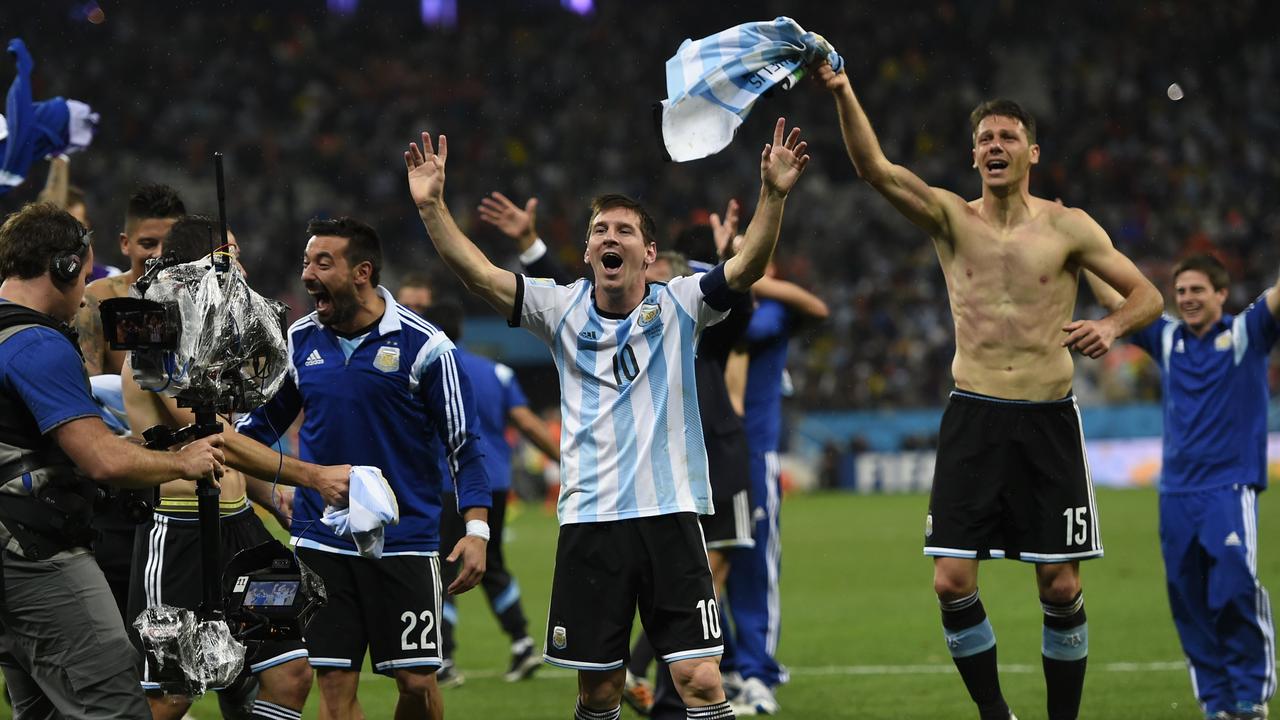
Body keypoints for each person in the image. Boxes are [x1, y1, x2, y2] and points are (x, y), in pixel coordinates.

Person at [405, 116, 810, 720]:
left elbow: (747, 266)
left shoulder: (680, 305)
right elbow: (478, 273)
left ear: (649, 255)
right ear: (590, 251)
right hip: (592, 524)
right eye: (600, 230)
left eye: (624, 229)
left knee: (700, 678)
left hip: (671, 518)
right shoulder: (558, 307)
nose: (609, 236)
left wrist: (772, 197)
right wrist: (433, 206)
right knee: (599, 690)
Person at [816, 59, 1163, 720]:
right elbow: (875, 169)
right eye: (984, 138)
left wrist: (1112, 324)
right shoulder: (950, 218)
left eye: (1007, 136)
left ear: (1033, 151)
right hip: (974, 413)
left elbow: (1148, 294)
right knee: (951, 580)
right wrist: (842, 90)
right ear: (973, 154)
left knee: (1060, 585)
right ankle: (996, 716)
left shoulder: (1070, 226)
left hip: (1047, 417)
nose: (994, 146)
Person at [234, 216, 491, 720]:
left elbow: (464, 444)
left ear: (362, 272)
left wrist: (477, 529)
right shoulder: (299, 340)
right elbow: (253, 433)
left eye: (322, 262)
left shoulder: (427, 347)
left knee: (416, 684)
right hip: (322, 541)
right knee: (333, 684)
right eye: (306, 261)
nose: (308, 274)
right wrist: (275, 488)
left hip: (408, 540)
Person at [0, 202, 224, 719]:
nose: (84, 288)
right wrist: (181, 462)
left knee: (43, 713)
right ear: (62, 267)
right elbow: (99, 458)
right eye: (82, 272)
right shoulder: (38, 342)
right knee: (118, 707)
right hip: (33, 550)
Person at [119, 215, 349, 720]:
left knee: (290, 675)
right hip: (179, 532)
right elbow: (214, 435)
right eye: (234, 256)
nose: (242, 267)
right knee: (170, 698)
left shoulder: (218, 335)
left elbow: (234, 444)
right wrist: (311, 477)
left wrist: (271, 499)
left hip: (240, 526)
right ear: (212, 261)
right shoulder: (154, 333)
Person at [1091, 255, 1277, 720]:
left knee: (1234, 582)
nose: (1188, 299)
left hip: (1228, 487)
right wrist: (1079, 253)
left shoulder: (1245, 333)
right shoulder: (1166, 335)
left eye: (1198, 290)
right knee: (1187, 597)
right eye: (1181, 292)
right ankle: (1216, 702)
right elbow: (1114, 299)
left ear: (1221, 293)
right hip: (1174, 491)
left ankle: (1250, 696)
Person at [416, 300, 560, 687]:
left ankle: (442, 656)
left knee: (443, 565)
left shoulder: (427, 370)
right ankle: (522, 643)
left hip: (451, 484)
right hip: (494, 484)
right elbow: (527, 424)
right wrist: (565, 460)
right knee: (491, 563)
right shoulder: (496, 372)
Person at [75, 183, 186, 376]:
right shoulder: (97, 299)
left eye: (170, 244)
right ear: (126, 244)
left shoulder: (200, 298)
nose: (159, 254)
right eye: (148, 243)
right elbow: (90, 386)